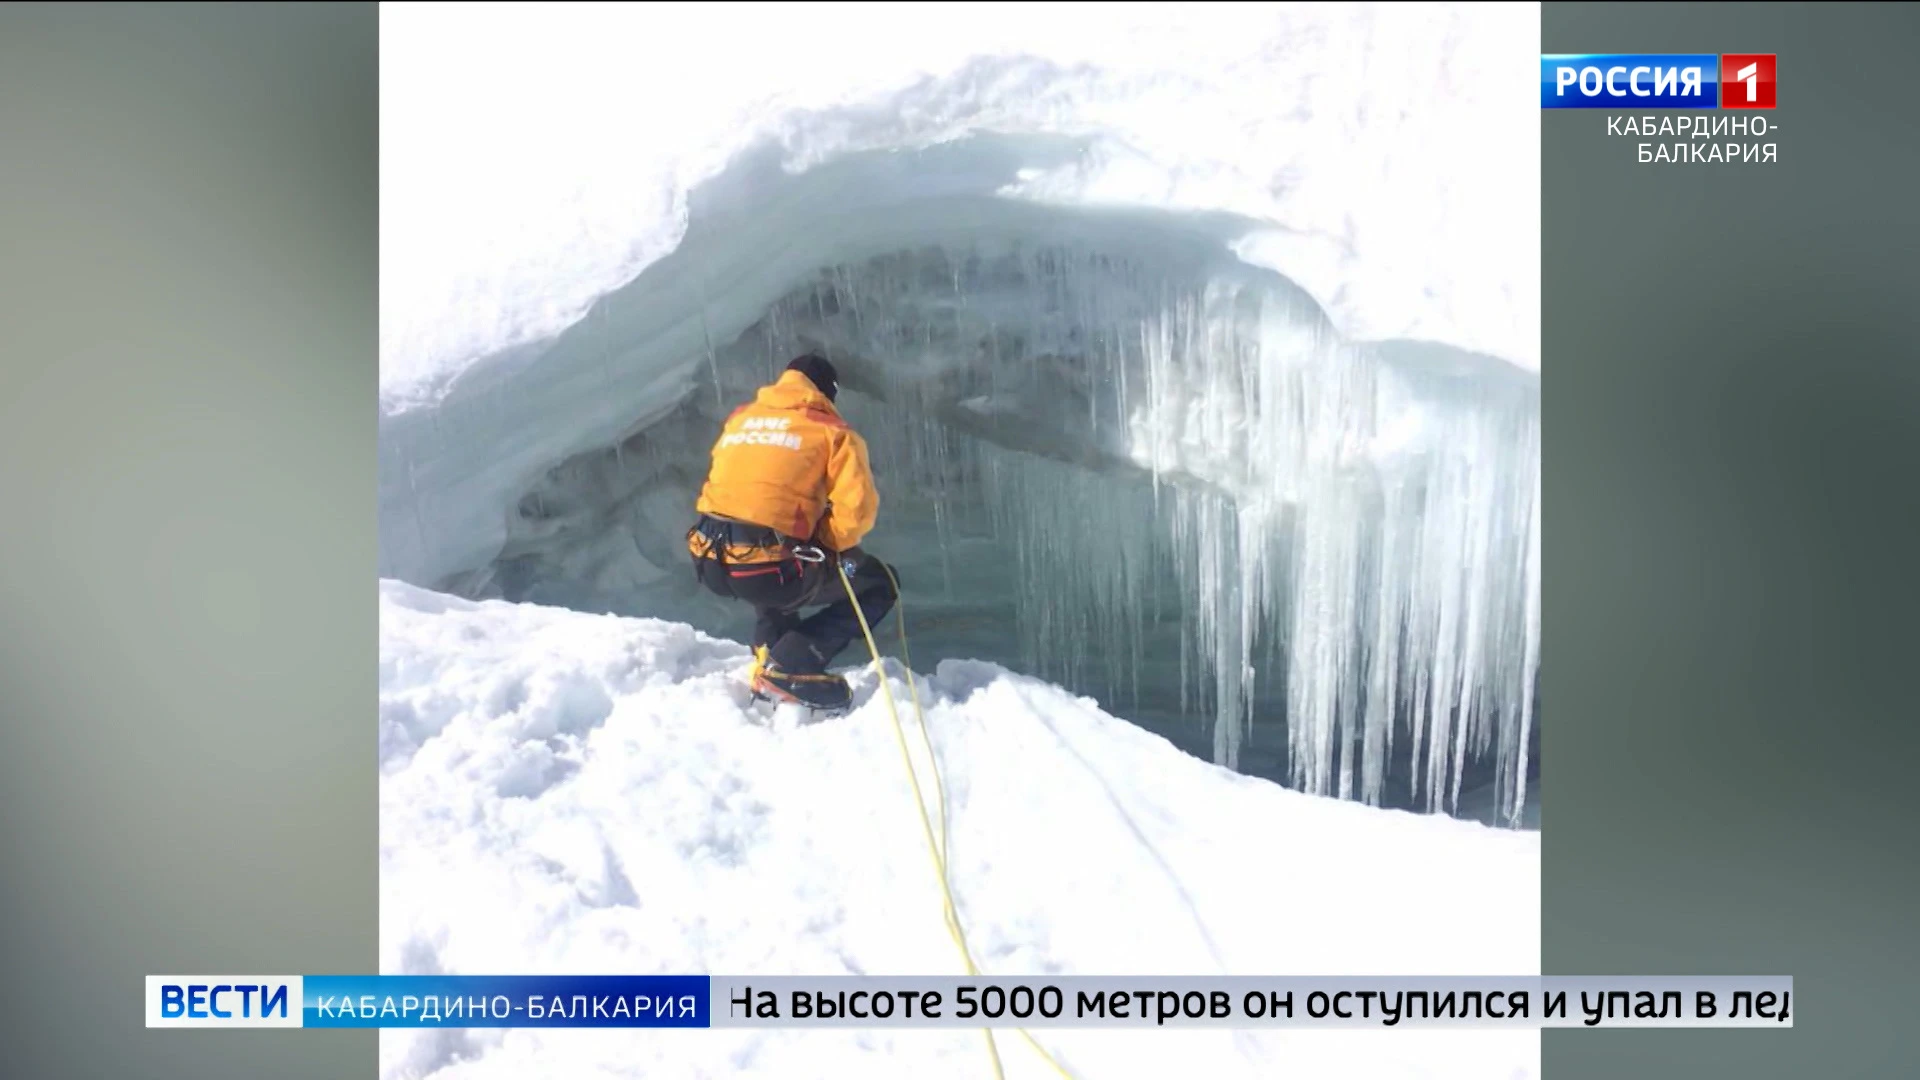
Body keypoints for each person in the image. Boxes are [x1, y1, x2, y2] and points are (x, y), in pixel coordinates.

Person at [686, 353, 899, 710]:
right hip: (769, 571)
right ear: (827, 392)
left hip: (710, 557)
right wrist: (828, 546)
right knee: (878, 580)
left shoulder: (742, 420)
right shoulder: (832, 432)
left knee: (774, 549)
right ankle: (792, 665)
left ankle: (768, 652)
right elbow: (855, 513)